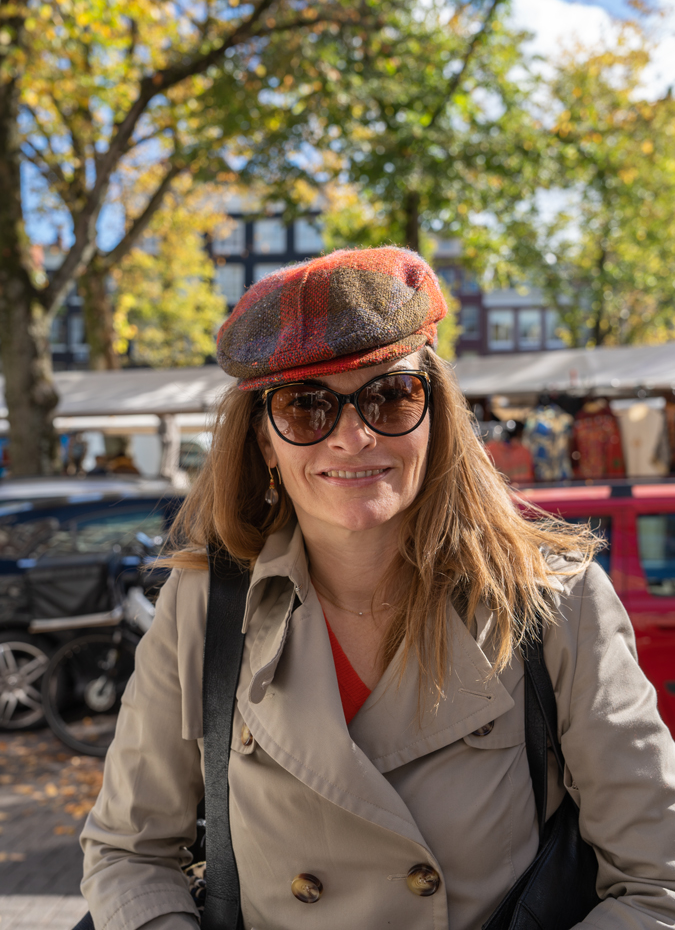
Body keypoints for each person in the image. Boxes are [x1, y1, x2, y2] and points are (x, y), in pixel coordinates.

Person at [80, 247, 675, 930]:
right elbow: (128, 850)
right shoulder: (205, 605)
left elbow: (655, 880)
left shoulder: (556, 602)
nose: (353, 435)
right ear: (265, 441)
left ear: (435, 412)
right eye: (306, 408)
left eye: (390, 395)